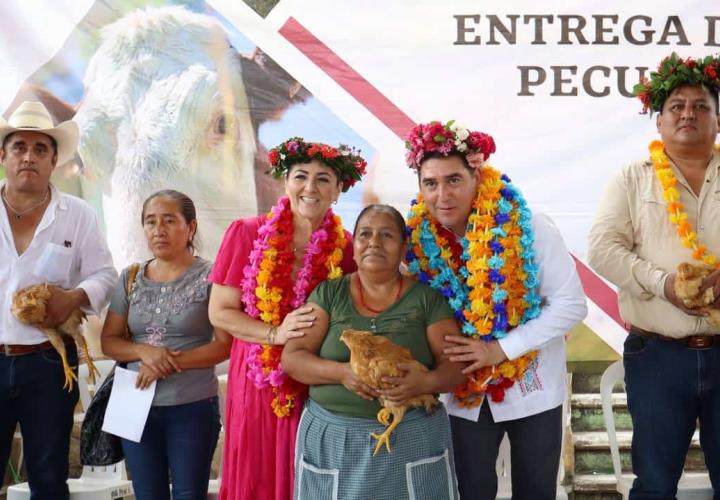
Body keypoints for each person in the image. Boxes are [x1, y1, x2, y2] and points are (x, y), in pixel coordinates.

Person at [403, 120, 587, 499]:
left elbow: (571, 305)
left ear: (477, 176)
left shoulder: (528, 227)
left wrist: (498, 349)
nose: (442, 195)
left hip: (531, 388)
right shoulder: (417, 243)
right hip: (461, 392)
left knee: (536, 492)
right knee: (469, 492)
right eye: (430, 183)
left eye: (454, 180)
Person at [588, 52, 720, 498]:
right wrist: (664, 284)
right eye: (676, 106)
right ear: (659, 123)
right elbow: (603, 251)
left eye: (701, 106)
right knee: (656, 484)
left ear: (718, 121)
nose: (688, 114)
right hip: (659, 355)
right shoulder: (631, 178)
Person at [207, 138, 366, 500]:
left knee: (311, 477)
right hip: (257, 380)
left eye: (323, 179)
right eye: (301, 176)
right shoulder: (246, 232)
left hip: (316, 382)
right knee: (256, 475)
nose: (310, 188)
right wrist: (275, 333)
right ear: (285, 182)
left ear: (339, 190)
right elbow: (220, 311)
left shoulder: (347, 247)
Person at [282, 204, 465, 500]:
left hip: (412, 437)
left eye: (387, 235)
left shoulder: (426, 300)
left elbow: (455, 366)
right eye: (365, 234)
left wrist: (426, 383)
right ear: (353, 246)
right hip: (333, 439)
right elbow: (292, 358)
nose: (374, 243)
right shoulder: (330, 294)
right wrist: (342, 373)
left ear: (404, 247)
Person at [0, 100, 117, 499]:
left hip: (51, 364)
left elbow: (106, 275)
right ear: (3, 155)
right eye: (19, 147)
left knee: (49, 478)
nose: (28, 157)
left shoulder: (77, 215)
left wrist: (75, 297)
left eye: (40, 149)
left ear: (53, 161)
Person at [101, 189, 231, 500]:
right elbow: (109, 341)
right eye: (150, 222)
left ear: (191, 227)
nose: (158, 230)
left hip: (192, 405)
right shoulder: (130, 276)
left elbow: (224, 346)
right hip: (133, 403)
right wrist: (145, 352)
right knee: (147, 494)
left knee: (189, 494)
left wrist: (167, 363)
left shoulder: (214, 276)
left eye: (169, 221)